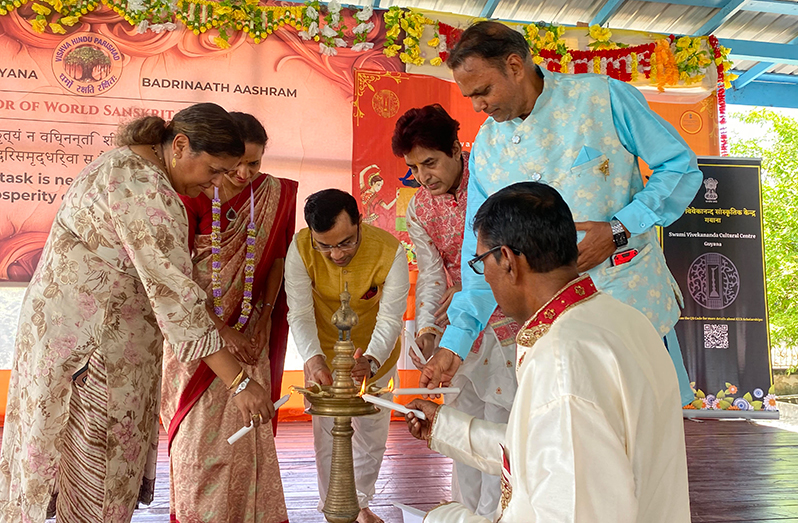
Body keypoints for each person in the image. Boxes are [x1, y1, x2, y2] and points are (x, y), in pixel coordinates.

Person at [0, 103, 274, 523]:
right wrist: (240, 384)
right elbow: (177, 301)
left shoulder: (125, 163)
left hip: (70, 338)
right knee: (98, 481)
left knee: (62, 464)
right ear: (180, 145)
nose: (218, 184)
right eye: (215, 170)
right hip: (93, 353)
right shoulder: (147, 191)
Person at [421, 21, 702, 407]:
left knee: (646, 439)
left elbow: (679, 169)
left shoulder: (600, 98)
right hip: (550, 327)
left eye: (483, 91)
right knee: (572, 444)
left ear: (515, 66)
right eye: (469, 97)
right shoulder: (487, 146)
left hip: (628, 303)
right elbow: (483, 254)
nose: (477, 106)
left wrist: (620, 228)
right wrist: (454, 344)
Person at [406, 182, 691, 522]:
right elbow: (544, 452)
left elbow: (570, 511)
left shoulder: (562, 358)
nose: (486, 278)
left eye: (482, 262)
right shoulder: (625, 320)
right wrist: (444, 428)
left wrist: (446, 518)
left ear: (508, 260)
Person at [160, 112, 296, 523]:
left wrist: (261, 320)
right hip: (196, 334)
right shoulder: (194, 189)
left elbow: (277, 261)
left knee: (246, 440)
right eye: (235, 163)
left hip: (251, 331)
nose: (243, 172)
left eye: (253, 163)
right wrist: (218, 330)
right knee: (198, 445)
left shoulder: (276, 194)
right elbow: (176, 277)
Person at [392, 104, 517, 517]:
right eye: (414, 167)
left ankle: (500, 514)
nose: (424, 176)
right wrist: (428, 327)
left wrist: (470, 286)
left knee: (502, 428)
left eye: (430, 162)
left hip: (508, 323)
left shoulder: (493, 188)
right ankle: (466, 515)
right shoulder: (420, 208)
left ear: (456, 151)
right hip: (460, 334)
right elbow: (430, 274)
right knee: (460, 427)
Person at [285, 189, 410, 523]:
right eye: (324, 245)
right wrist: (312, 359)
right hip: (323, 357)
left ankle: (361, 503)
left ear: (359, 224)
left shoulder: (389, 250)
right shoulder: (300, 249)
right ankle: (334, 508)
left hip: (375, 356)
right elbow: (298, 314)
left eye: (345, 243)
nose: (336, 254)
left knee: (372, 437)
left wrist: (370, 361)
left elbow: (390, 318)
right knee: (327, 436)